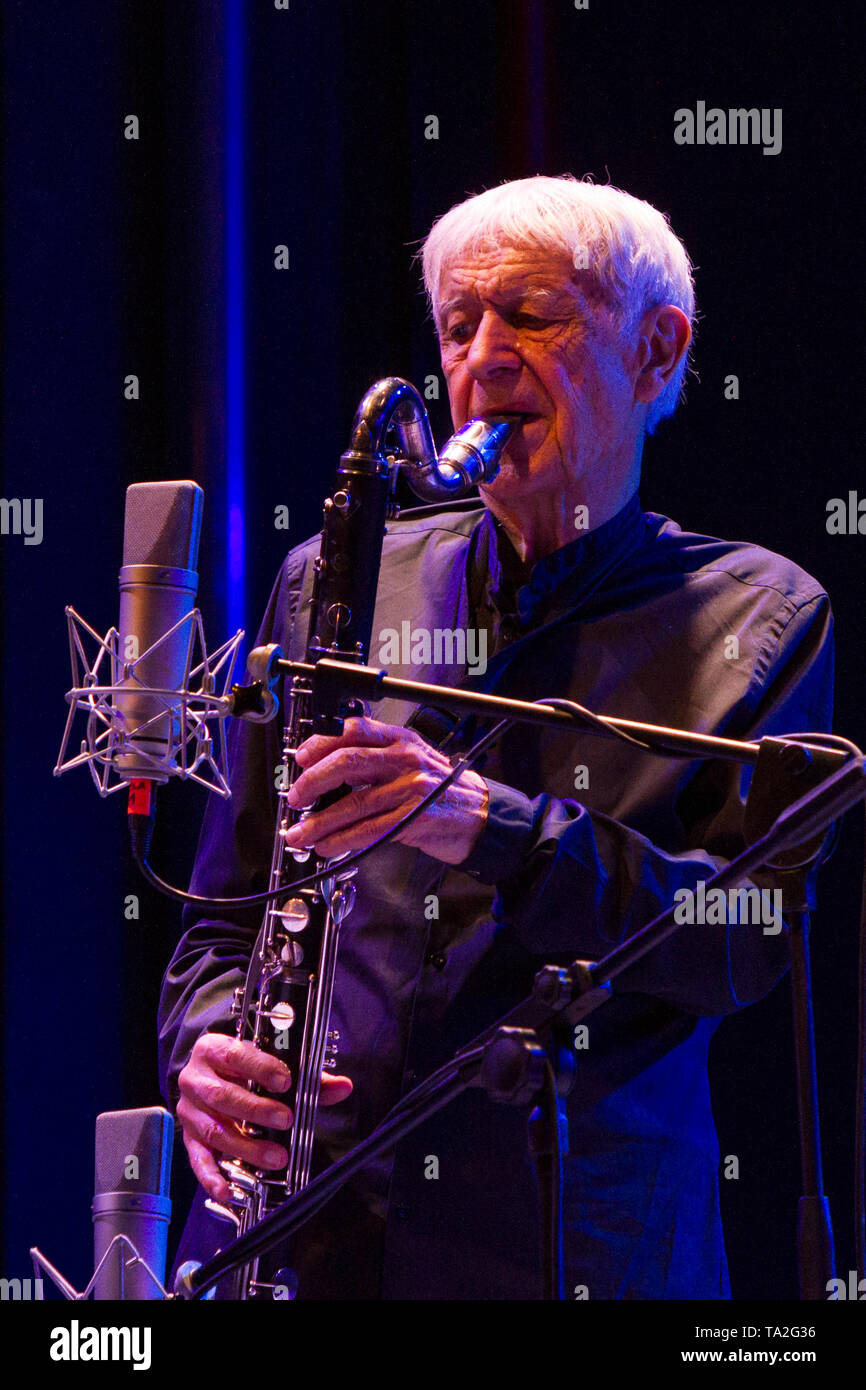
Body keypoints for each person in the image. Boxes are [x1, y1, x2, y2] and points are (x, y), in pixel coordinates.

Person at [159, 175, 834, 1299]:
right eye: (457, 325)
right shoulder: (334, 581)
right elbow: (225, 911)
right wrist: (209, 1048)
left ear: (656, 353)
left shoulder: (759, 616)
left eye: (530, 314)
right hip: (311, 1236)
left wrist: (491, 828)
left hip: (581, 1246)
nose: (481, 355)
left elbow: (746, 939)